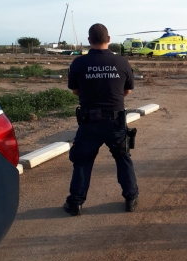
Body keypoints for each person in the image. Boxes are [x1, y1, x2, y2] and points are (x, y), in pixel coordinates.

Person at [63, 23, 139, 216]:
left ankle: (76, 203)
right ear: (109, 39)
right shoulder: (122, 62)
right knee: (123, 158)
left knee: (82, 161)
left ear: (89, 41)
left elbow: (75, 91)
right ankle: (131, 198)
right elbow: (127, 90)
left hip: (89, 122)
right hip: (115, 122)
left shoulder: (79, 63)